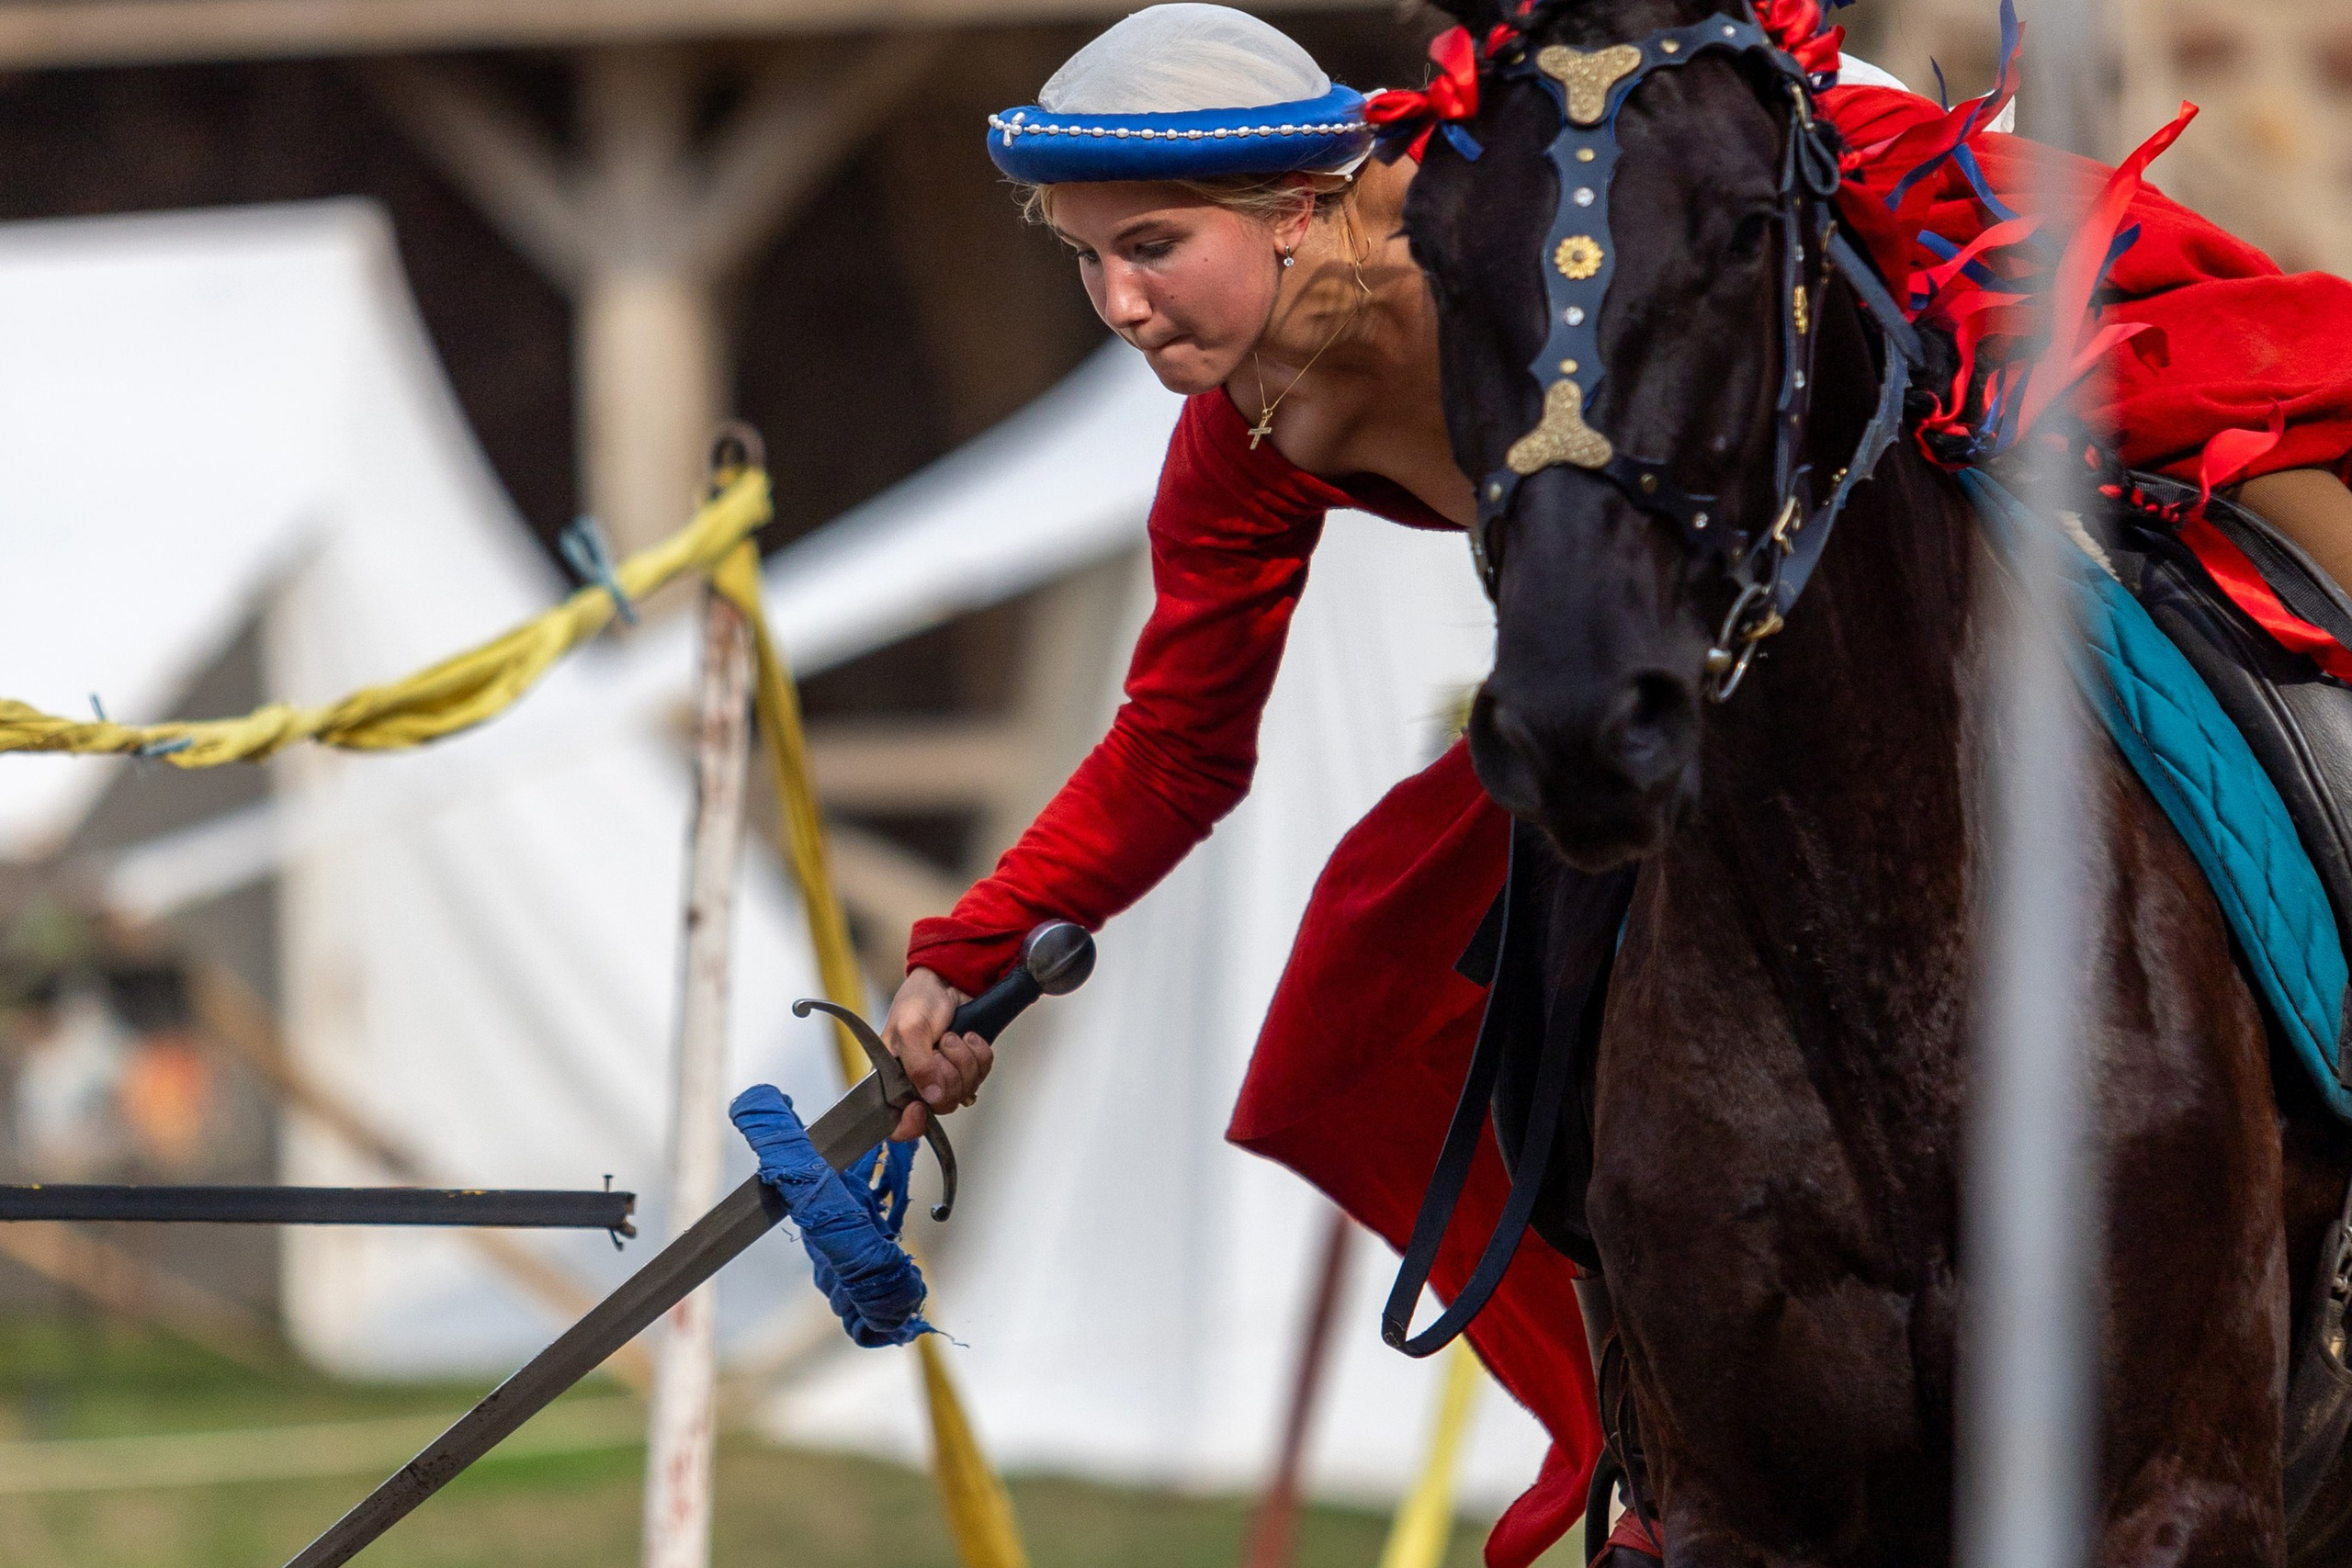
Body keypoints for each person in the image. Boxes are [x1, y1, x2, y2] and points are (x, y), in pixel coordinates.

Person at [873, 6, 2352, 1562]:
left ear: (1301, 206)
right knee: (1390, 974)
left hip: (1889, 464)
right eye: (1085, 259)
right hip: (1647, 673)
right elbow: (1179, 741)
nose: (1117, 303)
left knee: (2267, 607)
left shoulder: (1526, 219)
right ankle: (1660, 1434)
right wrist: (971, 955)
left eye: (1151, 247)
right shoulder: (1238, 432)